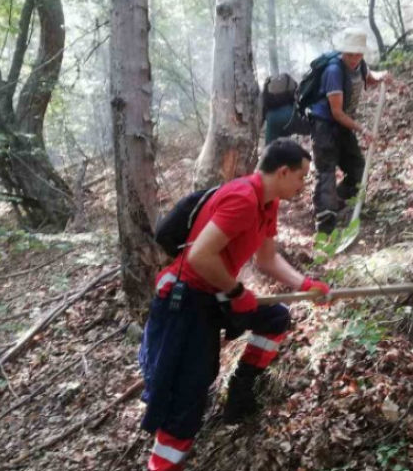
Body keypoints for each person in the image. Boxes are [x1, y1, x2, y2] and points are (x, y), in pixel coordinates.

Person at [139, 139, 331, 471]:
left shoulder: (267, 204)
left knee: (275, 319)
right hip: (185, 300)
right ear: (283, 172)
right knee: (188, 392)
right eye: (301, 177)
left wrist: (305, 284)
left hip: (217, 293)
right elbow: (200, 257)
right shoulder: (242, 198)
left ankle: (240, 391)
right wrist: (237, 291)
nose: (303, 185)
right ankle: (162, 466)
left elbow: (267, 259)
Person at [307, 27, 392, 234]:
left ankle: (336, 201)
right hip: (325, 126)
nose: (354, 58)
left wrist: (381, 76)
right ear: (343, 51)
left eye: (358, 53)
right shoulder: (334, 71)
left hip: (344, 126)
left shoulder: (359, 64)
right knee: (326, 172)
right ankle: (325, 227)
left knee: (357, 169)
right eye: (350, 53)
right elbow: (336, 112)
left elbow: (368, 77)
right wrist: (363, 129)